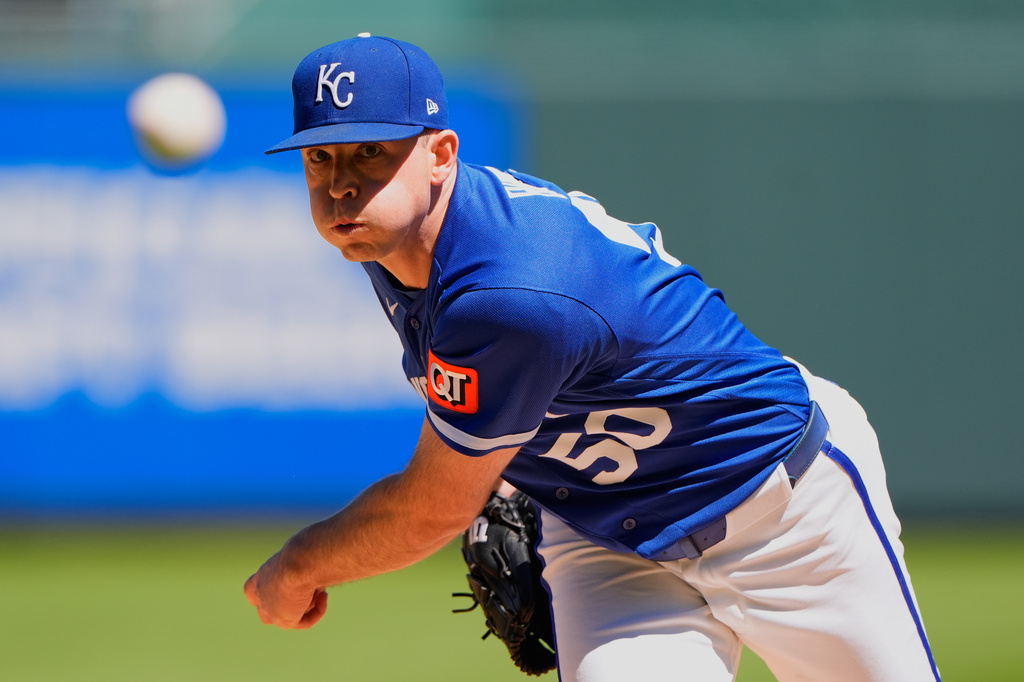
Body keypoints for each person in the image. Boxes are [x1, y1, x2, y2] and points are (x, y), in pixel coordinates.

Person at [244, 34, 941, 681]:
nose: (340, 183)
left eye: (371, 151)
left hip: (780, 507)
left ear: (441, 154)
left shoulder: (509, 289)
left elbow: (431, 510)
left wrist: (301, 564)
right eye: (320, 156)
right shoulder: (390, 234)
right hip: (608, 540)